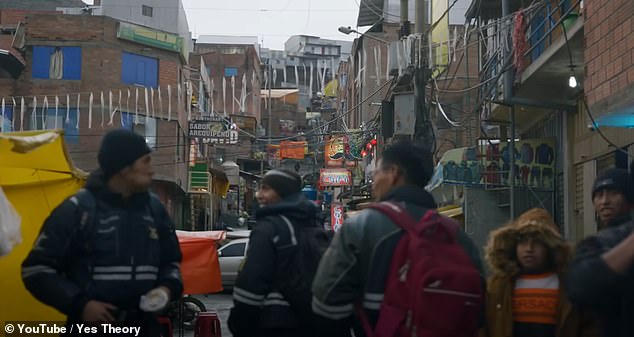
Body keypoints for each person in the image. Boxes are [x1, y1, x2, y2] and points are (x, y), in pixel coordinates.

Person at [311, 141, 484, 337]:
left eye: (376, 173)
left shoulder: (362, 226)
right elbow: (479, 310)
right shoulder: (455, 234)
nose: (374, 183)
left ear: (393, 173)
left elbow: (326, 302)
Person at [22, 129, 183, 336]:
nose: (152, 170)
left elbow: (172, 262)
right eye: (146, 161)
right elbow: (35, 270)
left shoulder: (155, 209)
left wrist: (166, 289)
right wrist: (81, 305)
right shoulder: (78, 210)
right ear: (124, 168)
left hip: (145, 328)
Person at [228, 168, 323, 337]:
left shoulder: (269, 229)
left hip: (273, 323)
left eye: (266, 189)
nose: (258, 195)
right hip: (310, 322)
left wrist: (239, 324)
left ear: (281, 192)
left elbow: (251, 283)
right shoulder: (311, 224)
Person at [481, 208, 597, 337]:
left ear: (550, 246)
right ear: (514, 246)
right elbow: (483, 326)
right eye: (523, 242)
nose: (529, 249)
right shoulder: (498, 285)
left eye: (537, 242)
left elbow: (589, 326)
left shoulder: (570, 285)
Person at [566, 167, 634, 337]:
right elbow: (580, 286)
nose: (604, 201)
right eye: (599, 195)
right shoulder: (594, 244)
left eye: (613, 193)